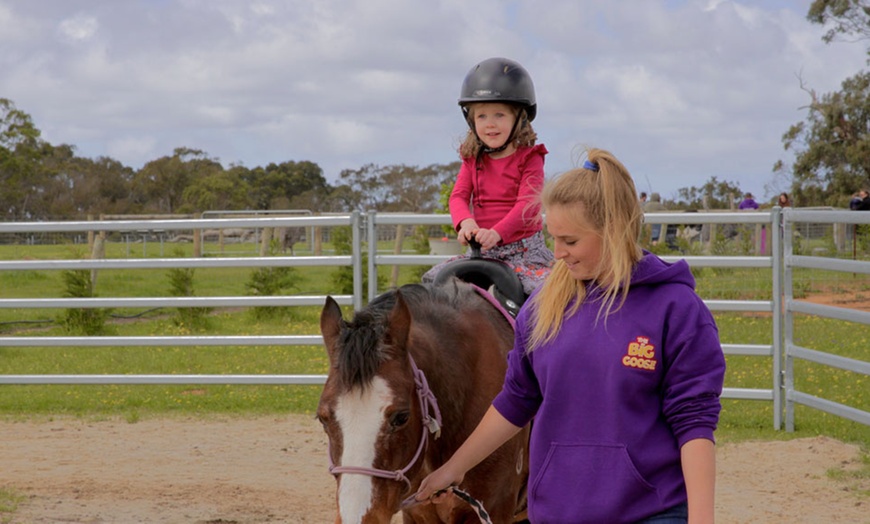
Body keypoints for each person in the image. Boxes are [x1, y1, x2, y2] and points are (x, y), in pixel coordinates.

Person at [413, 148, 726, 523]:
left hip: (651, 512)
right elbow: (516, 400)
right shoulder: (545, 307)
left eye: (571, 241)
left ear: (613, 231)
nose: (557, 253)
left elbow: (694, 423)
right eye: (553, 238)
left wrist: (702, 518)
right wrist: (453, 467)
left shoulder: (676, 309)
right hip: (557, 512)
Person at [422, 57, 553, 295]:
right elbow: (458, 197)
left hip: (523, 253)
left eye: (499, 115)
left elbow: (528, 206)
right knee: (432, 286)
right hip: (482, 250)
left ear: (520, 118)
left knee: (545, 297)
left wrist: (496, 233)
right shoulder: (472, 158)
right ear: (471, 120)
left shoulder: (530, 158)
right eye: (481, 116)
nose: (490, 124)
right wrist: (467, 223)